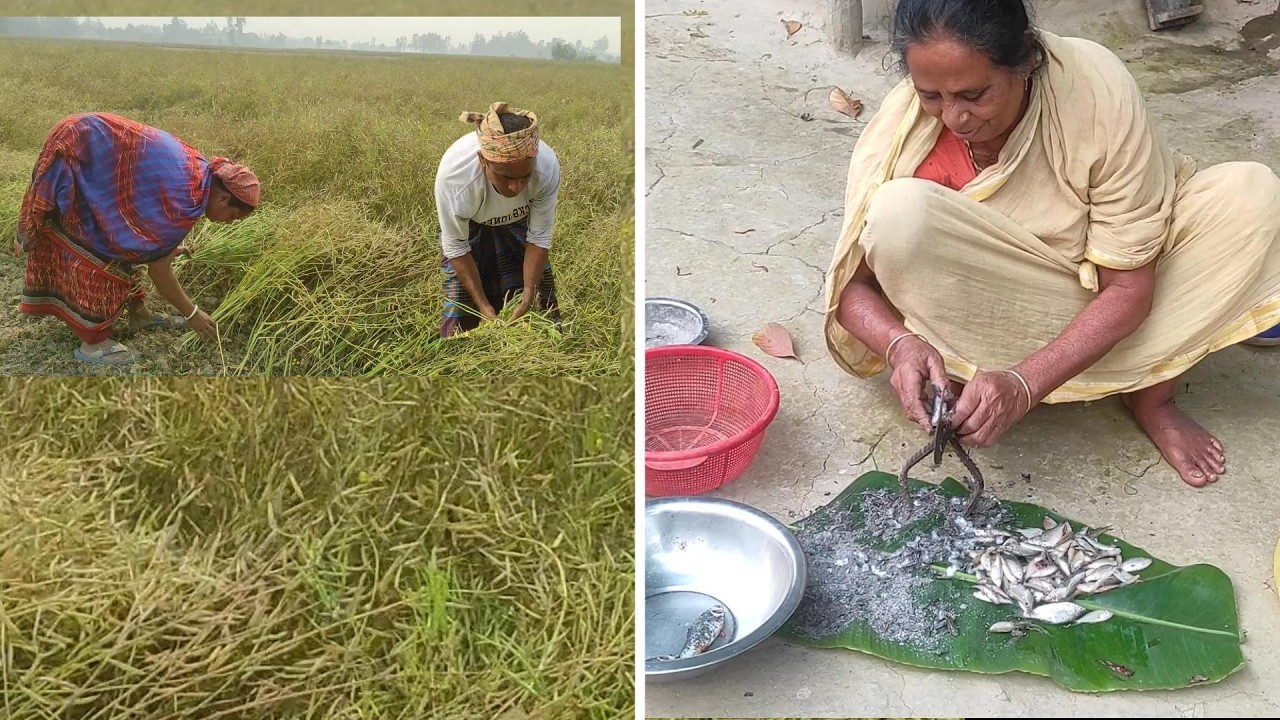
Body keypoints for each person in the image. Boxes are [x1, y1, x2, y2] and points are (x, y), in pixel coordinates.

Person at [824, 0, 1280, 487]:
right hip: (1002, 300)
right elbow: (853, 285)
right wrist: (898, 346)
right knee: (898, 213)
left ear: (1027, 59)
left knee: (1250, 196)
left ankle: (1152, 393)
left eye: (975, 95)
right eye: (931, 95)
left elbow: (1128, 287)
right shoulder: (906, 131)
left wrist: (1024, 384)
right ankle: (983, 363)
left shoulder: (1095, 89)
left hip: (1117, 291)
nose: (954, 117)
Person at [15, 112, 258, 366]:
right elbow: (159, 272)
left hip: (87, 139)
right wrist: (192, 313)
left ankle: (139, 315)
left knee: (131, 244)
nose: (228, 222)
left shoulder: (200, 175)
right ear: (223, 198)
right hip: (80, 147)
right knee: (106, 247)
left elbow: (148, 234)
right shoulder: (185, 199)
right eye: (232, 216)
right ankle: (93, 344)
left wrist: (164, 248)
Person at [434, 101, 561, 337]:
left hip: (518, 222)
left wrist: (528, 294)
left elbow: (539, 236)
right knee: (461, 309)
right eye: (505, 177)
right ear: (484, 161)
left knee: (539, 304)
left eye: (525, 176)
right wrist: (482, 306)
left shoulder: (546, 167)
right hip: (470, 228)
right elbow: (455, 246)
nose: (516, 187)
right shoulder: (456, 179)